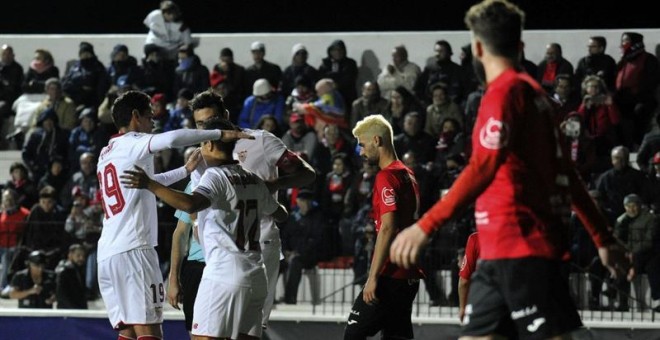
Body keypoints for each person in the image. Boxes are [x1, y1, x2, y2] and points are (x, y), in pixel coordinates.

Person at [389, 1, 631, 339]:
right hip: (498, 252)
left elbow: (483, 165)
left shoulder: (505, 92)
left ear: (476, 48)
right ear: (520, 46)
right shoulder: (538, 98)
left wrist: (424, 226)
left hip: (523, 248)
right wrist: (602, 237)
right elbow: (569, 175)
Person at [95, 90, 253, 340]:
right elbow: (172, 139)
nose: (153, 122)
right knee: (150, 331)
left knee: (128, 331)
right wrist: (218, 134)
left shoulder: (107, 151)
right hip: (135, 248)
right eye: (149, 115)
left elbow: (146, 185)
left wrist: (183, 170)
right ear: (135, 116)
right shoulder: (135, 142)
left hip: (107, 253)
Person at [121, 117, 288, 340]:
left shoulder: (214, 176)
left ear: (209, 144)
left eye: (201, 143)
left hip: (223, 274)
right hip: (257, 276)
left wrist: (150, 184)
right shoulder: (253, 179)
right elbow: (281, 214)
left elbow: (191, 204)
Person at [188, 89, 316, 330]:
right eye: (200, 124)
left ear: (225, 114)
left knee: (242, 329)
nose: (206, 128)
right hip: (218, 253)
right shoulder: (201, 152)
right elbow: (195, 198)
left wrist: (273, 185)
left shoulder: (260, 141)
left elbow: (308, 174)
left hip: (259, 245)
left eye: (210, 120)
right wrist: (196, 223)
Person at [344, 114, 423, 340]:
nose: (360, 152)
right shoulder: (408, 174)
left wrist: (372, 277)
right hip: (408, 275)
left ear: (377, 141)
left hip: (390, 274)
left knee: (353, 334)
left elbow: (388, 228)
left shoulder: (386, 177)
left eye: (362, 145)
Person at [55, 243, 87, 309]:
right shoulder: (64, 271)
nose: (81, 258)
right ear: (70, 255)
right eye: (78, 255)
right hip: (68, 312)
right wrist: (74, 310)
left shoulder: (79, 270)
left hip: (79, 310)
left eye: (83, 256)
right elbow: (61, 295)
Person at [458, 232, 479, 323]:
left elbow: (464, 281)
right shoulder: (518, 237)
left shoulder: (475, 238)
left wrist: (462, 307)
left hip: (481, 301)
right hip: (511, 302)